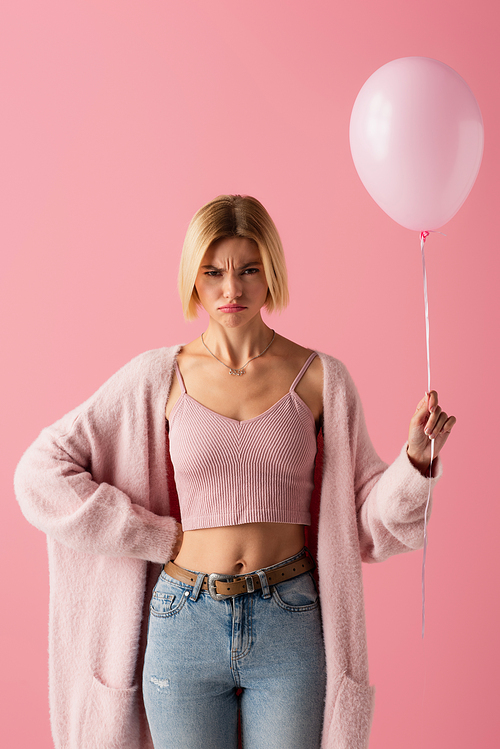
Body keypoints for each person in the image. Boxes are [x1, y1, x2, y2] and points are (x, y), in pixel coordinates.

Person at [14, 194, 455, 749]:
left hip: (288, 619)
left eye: (249, 269)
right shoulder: (158, 377)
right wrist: (151, 535)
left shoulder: (322, 378)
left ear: (270, 273)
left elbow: (364, 521)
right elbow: (38, 475)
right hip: (183, 621)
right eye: (214, 271)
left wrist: (417, 459)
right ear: (193, 279)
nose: (232, 288)